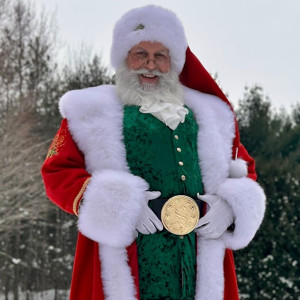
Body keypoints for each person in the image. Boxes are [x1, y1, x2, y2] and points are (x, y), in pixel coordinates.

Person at [41, 5, 266, 300]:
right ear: (124, 59)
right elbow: (57, 172)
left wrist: (231, 206)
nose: (150, 64)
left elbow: (243, 166)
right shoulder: (90, 112)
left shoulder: (210, 115)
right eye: (140, 55)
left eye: (160, 56)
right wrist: (117, 206)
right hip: (130, 257)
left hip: (197, 258)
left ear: (173, 62)